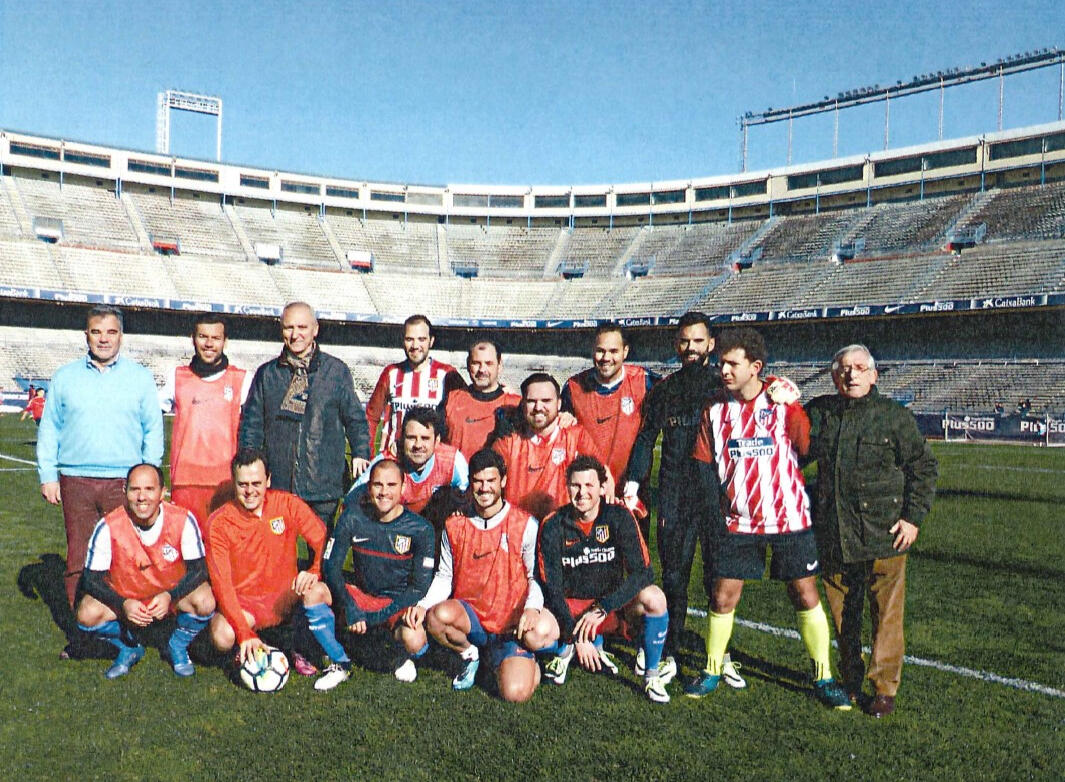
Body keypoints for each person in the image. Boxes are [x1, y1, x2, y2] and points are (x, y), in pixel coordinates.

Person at [682, 328, 851, 710]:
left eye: (732, 363)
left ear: (755, 367)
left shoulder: (782, 404)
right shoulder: (713, 409)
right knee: (723, 596)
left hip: (788, 518)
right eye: (721, 362)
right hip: (738, 523)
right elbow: (702, 462)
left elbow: (806, 449)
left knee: (805, 594)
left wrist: (792, 401)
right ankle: (711, 670)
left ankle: (823, 676)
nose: (723, 370)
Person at [805, 344, 937, 718]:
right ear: (834, 376)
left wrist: (912, 518)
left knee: (886, 614)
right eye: (844, 369)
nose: (852, 374)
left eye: (860, 368)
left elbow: (923, 469)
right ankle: (849, 678)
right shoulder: (820, 413)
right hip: (834, 533)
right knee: (843, 613)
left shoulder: (894, 417)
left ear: (874, 375)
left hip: (884, 532)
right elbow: (793, 451)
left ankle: (884, 688)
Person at [626, 312, 742, 685]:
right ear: (677, 345)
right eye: (684, 341)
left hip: (717, 498)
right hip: (675, 495)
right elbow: (646, 439)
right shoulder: (665, 390)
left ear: (711, 344)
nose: (690, 348)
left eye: (697, 341)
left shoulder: (726, 387)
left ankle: (718, 654)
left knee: (717, 579)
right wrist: (633, 482)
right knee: (674, 578)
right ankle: (671, 651)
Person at [37, 305, 165, 621]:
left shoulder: (140, 377)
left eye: (110, 332)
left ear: (121, 336)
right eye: (96, 332)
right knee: (79, 557)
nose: (103, 339)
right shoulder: (65, 376)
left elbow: (153, 428)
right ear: (87, 335)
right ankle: (81, 630)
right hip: (76, 480)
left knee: (125, 556)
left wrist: (148, 480)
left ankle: (127, 626)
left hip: (124, 482)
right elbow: (50, 427)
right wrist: (48, 474)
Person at [411, 449, 557, 702]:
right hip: (473, 620)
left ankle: (523, 661)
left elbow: (535, 577)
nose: (484, 488)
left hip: (510, 624)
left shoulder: (524, 524)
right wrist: (424, 605)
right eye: (478, 481)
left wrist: (532, 609)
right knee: (437, 617)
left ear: (503, 481)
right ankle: (470, 654)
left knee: (515, 694)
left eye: (491, 481)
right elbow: (445, 576)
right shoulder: (455, 525)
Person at [205, 448, 350, 686]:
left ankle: (299, 642)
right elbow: (222, 584)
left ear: (268, 480)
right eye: (242, 484)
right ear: (234, 483)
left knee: (319, 591)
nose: (250, 491)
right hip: (247, 604)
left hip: (286, 598)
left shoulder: (287, 504)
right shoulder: (219, 523)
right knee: (222, 636)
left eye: (256, 483)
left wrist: (314, 570)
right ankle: (248, 651)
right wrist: (244, 632)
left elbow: (323, 540)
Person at [537, 455, 673, 702]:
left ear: (602, 488)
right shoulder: (553, 524)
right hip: (571, 609)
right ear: (567, 487)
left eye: (589, 486)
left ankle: (652, 674)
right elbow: (552, 588)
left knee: (655, 598)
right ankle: (566, 648)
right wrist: (574, 635)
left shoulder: (619, 516)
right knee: (535, 634)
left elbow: (644, 573)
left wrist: (603, 608)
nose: (582, 493)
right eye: (576, 486)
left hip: (609, 609)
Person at [75, 464, 215, 679]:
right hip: (128, 599)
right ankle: (128, 646)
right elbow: (90, 579)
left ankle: (176, 645)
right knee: (86, 614)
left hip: (169, 597)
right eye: (135, 490)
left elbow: (199, 569)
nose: (142, 497)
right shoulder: (108, 526)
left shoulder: (183, 520)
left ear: (162, 492)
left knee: (206, 601)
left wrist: (171, 596)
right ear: (125, 491)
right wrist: (122, 603)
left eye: (149, 489)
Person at [239, 301, 370, 528]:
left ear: (315, 329)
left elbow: (355, 419)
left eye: (302, 327)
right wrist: (252, 469)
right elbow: (251, 426)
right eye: (289, 328)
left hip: (324, 484)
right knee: (277, 555)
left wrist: (360, 451)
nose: (295, 334)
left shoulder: (336, 372)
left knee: (319, 556)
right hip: (278, 483)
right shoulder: (267, 375)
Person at [318, 459, 436, 689]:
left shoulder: (421, 529)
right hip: (363, 596)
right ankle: (339, 660)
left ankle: (396, 655)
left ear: (403, 488)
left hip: (396, 603)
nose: (384, 492)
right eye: (377, 485)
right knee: (316, 593)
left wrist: (377, 617)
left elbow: (419, 587)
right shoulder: (352, 517)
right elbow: (331, 567)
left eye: (391, 485)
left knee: (414, 639)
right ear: (368, 487)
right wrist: (351, 607)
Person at [561, 323, 658, 539]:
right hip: (589, 494)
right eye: (600, 350)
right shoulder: (573, 387)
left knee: (635, 564)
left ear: (625, 351)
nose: (606, 357)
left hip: (632, 493)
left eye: (613, 351)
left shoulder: (645, 381)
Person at [160, 314, 253, 527]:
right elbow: (148, 412)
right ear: (193, 338)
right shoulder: (177, 377)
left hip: (226, 481)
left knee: (220, 549)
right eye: (203, 336)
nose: (209, 344)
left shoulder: (241, 379)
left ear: (225, 341)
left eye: (215, 338)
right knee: (186, 551)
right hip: (186, 481)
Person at [492, 372, 612, 521]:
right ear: (522, 404)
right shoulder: (508, 442)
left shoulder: (576, 436)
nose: (538, 407)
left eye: (546, 400)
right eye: (531, 401)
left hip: (563, 528)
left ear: (559, 403)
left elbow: (602, 477)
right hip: (518, 530)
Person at [366, 314, 465, 456]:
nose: (415, 346)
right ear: (403, 341)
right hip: (395, 460)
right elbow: (371, 417)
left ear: (431, 341)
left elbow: (470, 405)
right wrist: (367, 455)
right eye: (409, 339)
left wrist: (500, 391)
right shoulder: (391, 373)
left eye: (422, 339)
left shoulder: (447, 374)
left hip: (432, 463)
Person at [347, 406, 468, 516]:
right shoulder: (386, 463)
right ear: (402, 439)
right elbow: (351, 500)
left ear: (437, 441)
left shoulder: (451, 460)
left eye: (425, 438)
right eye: (411, 438)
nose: (418, 445)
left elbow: (471, 495)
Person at [444, 338, 520, 460]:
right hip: (458, 479)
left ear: (499, 366)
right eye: (476, 363)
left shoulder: (516, 404)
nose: (482, 370)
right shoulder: (451, 400)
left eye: (488, 363)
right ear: (468, 365)